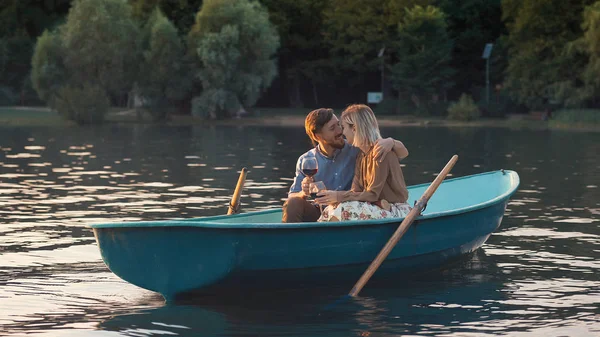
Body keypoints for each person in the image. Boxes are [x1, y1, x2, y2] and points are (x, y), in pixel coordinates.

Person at [282, 107, 408, 223]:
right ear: (317, 136)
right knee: (293, 203)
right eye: (333, 128)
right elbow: (293, 195)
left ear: (354, 128)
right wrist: (304, 192)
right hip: (328, 209)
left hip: (352, 206)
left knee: (344, 208)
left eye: (340, 125)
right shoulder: (307, 160)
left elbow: (400, 154)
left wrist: (391, 141)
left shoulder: (357, 149)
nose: (340, 131)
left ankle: (325, 237)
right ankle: (290, 241)